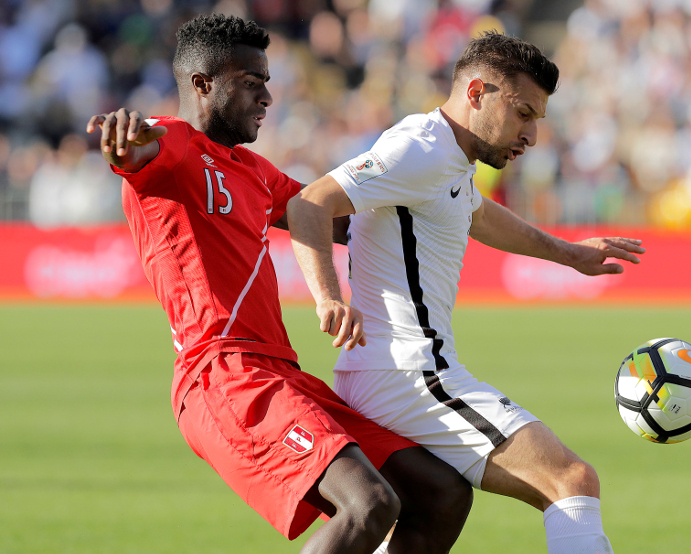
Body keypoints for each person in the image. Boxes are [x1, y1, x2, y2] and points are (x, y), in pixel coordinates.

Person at [86, 13, 472, 554]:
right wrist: (124, 141)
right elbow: (139, 150)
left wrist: (438, 189)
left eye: (267, 82)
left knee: (441, 493)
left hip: (279, 372)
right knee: (367, 505)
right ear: (202, 84)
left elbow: (339, 216)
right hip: (223, 374)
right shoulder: (174, 143)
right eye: (252, 83)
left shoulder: (253, 170)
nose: (268, 97)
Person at [288, 31, 647, 554]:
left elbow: (476, 213)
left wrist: (569, 254)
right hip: (407, 374)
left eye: (537, 120)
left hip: (393, 373)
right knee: (570, 481)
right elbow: (310, 202)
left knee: (440, 503)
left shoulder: (446, 157)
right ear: (477, 93)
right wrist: (328, 296)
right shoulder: (419, 150)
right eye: (523, 113)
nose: (531, 135)